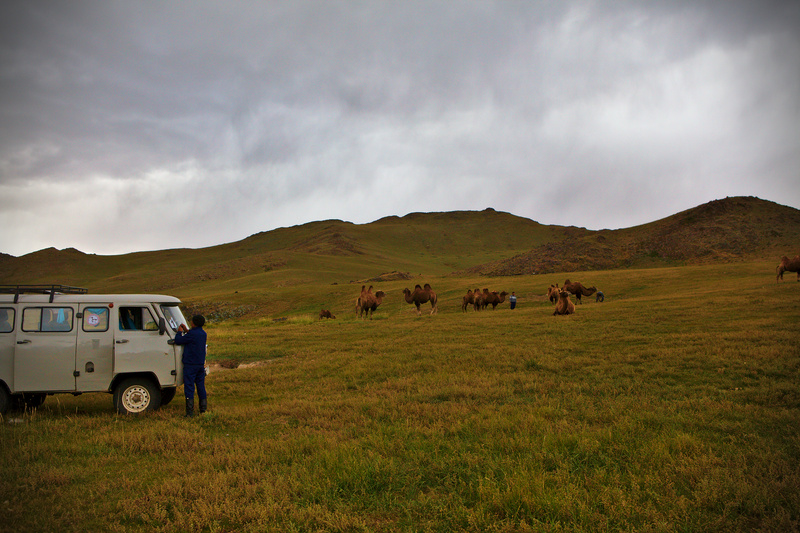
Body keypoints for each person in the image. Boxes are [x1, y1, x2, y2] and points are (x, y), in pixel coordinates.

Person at [174, 314, 208, 417]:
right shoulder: (203, 333)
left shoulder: (192, 334)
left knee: (189, 387)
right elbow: (193, 337)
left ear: (193, 323)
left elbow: (178, 340)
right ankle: (203, 409)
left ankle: (189, 412)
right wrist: (187, 331)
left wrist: (179, 332)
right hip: (200, 364)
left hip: (190, 365)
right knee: (201, 386)